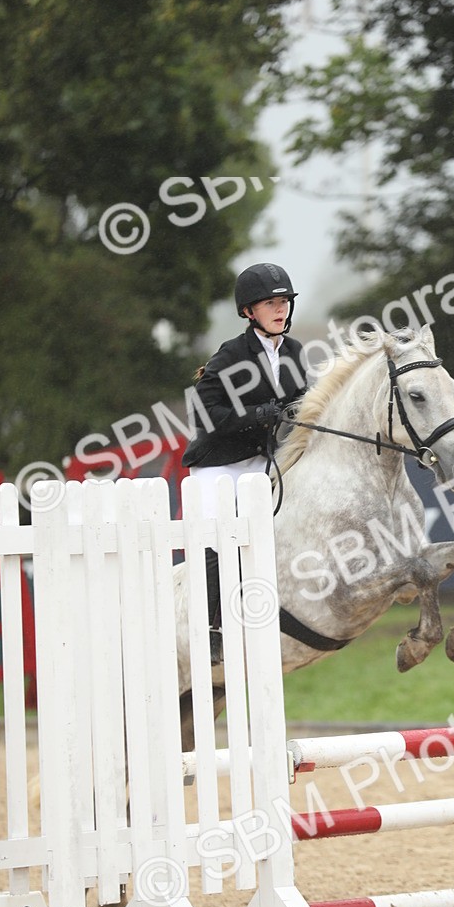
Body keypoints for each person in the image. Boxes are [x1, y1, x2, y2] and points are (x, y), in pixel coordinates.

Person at [182, 262, 310, 662]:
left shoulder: (293, 352)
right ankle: (210, 627)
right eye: (270, 303)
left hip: (261, 462)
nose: (280, 309)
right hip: (220, 463)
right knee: (219, 540)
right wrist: (256, 415)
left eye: (284, 302)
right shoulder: (231, 355)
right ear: (248, 311)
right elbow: (204, 414)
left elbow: (303, 404)